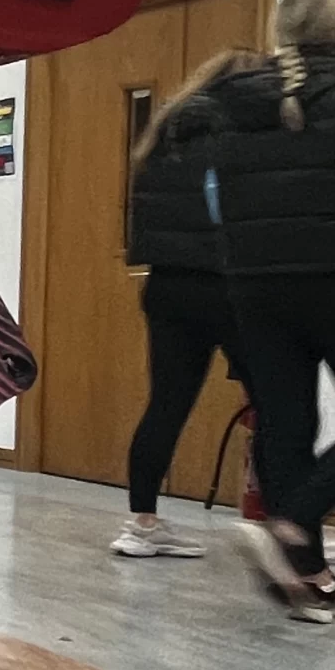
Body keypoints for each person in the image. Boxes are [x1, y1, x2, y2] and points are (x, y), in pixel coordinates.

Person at [208, 0, 335, 621]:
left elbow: (213, 195)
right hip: (328, 270)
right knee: (291, 424)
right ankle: (294, 522)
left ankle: (304, 574)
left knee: (286, 421)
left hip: (252, 281)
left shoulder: (233, 101)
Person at [111, 60, 248, 558]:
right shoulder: (238, 138)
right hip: (229, 285)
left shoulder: (162, 139)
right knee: (276, 406)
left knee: (166, 403)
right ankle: (288, 528)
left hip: (168, 285)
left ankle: (142, 524)